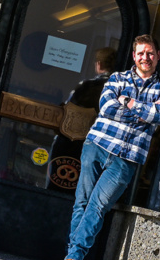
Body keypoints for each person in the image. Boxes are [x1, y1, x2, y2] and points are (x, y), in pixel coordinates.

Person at [60, 34, 160, 260]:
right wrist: (142, 113)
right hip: (97, 145)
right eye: (141, 53)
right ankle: (72, 258)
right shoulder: (117, 78)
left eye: (150, 53)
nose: (146, 57)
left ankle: (72, 257)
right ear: (134, 56)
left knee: (98, 205)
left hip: (127, 159)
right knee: (83, 200)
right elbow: (107, 108)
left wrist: (128, 102)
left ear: (157, 56)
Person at [46, 47, 117, 193]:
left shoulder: (86, 87)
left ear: (99, 64)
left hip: (71, 146)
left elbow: (65, 118)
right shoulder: (120, 92)